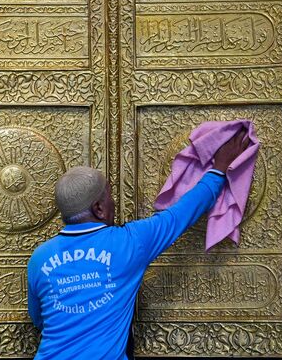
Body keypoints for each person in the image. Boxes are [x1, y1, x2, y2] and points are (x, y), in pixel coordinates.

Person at [27, 129, 251, 359]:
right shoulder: (129, 243)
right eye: (109, 197)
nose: (113, 202)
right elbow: (181, 214)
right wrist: (218, 170)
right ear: (99, 208)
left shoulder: (39, 258)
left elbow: (39, 318)